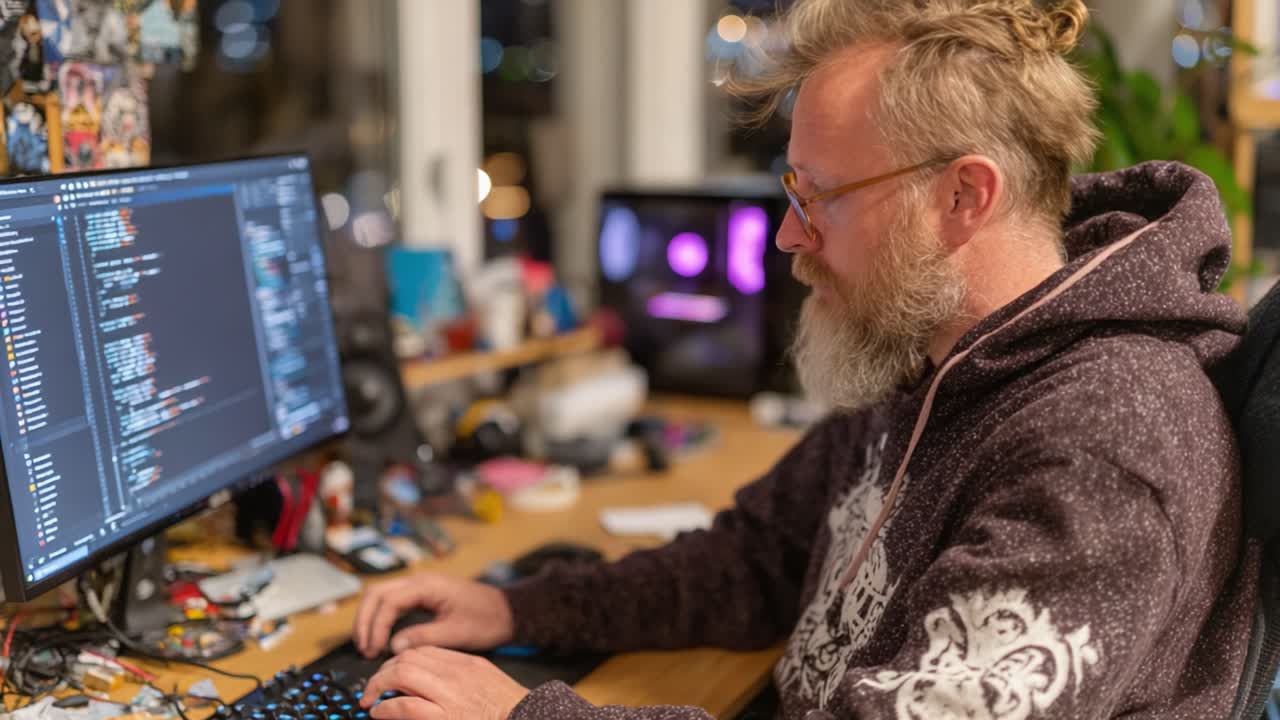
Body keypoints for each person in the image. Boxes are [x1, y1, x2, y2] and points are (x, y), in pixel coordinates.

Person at [351, 1, 1259, 718]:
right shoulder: (938, 355)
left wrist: (527, 718)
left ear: (961, 197)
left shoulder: (1106, 447)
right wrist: (517, 611)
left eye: (822, 196)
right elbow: (761, 557)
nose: (788, 235)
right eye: (793, 188)